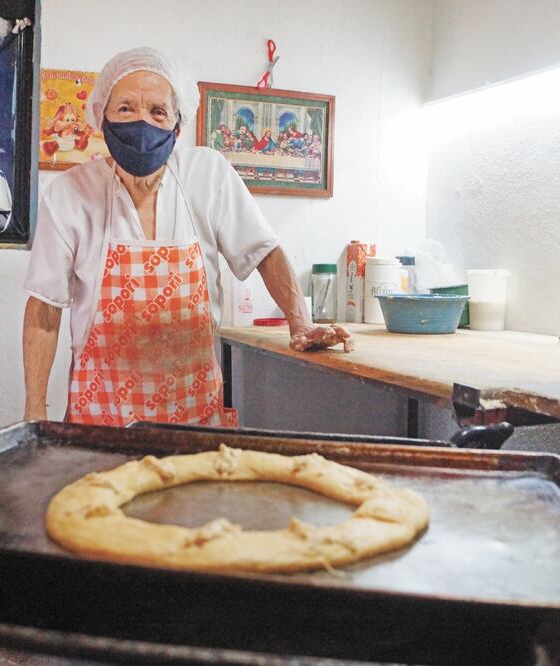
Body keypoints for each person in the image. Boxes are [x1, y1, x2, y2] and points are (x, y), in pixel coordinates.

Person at [22, 47, 352, 427]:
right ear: (101, 118)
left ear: (177, 126)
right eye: (126, 109)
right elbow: (44, 308)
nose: (142, 124)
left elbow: (265, 251)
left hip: (192, 415)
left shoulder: (207, 175)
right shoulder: (69, 195)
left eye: (157, 111)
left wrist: (301, 324)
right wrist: (35, 417)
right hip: (100, 418)